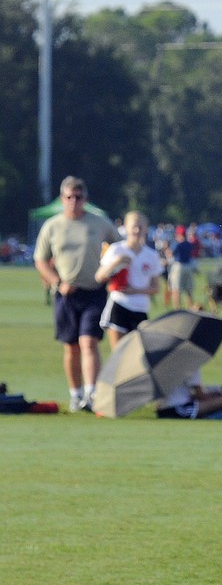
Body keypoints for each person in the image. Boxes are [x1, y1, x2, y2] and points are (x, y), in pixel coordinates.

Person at [33, 175, 120, 412]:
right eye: (69, 197)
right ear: (62, 199)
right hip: (66, 293)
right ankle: (76, 394)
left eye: (78, 197)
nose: (73, 201)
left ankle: (92, 395)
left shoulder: (99, 223)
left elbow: (118, 246)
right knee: (71, 346)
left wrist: (110, 270)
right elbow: (40, 259)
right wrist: (56, 282)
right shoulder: (53, 225)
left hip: (94, 290)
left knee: (89, 342)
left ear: (85, 199)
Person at [95, 211, 162, 349]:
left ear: (146, 228)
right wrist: (117, 262)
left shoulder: (151, 255)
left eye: (140, 227)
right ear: (126, 228)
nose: (137, 230)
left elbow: (156, 287)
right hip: (119, 305)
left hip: (141, 308)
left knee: (138, 356)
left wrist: (136, 290)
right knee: (119, 355)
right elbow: (99, 277)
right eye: (133, 227)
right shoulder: (116, 249)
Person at [155, 371, 222, 419]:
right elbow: (201, 396)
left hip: (161, 408)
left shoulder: (164, 364)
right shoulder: (191, 364)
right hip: (178, 409)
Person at [168, 225, 195, 309]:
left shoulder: (177, 243)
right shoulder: (189, 244)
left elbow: (170, 253)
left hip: (178, 266)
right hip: (188, 265)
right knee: (188, 290)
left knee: (176, 289)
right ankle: (190, 308)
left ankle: (177, 309)